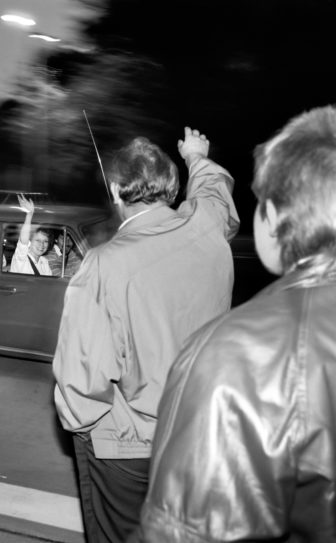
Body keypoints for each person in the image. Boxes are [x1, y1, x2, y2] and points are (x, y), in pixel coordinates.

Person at [131, 106, 336, 542]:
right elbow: (212, 207)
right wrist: (197, 161)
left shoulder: (237, 356)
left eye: (261, 202)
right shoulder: (204, 231)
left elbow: (191, 530)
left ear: (275, 217)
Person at [52, 126, 240, 542]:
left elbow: (81, 379)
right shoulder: (208, 227)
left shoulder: (105, 265)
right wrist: (197, 157)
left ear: (117, 191)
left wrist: (86, 428)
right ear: (170, 188)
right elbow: (214, 196)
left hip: (132, 447)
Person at [9, 194, 53, 275]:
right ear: (30, 241)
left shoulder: (44, 262)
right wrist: (29, 214)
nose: (42, 245)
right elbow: (23, 241)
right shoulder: (21, 258)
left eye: (45, 241)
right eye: (38, 240)